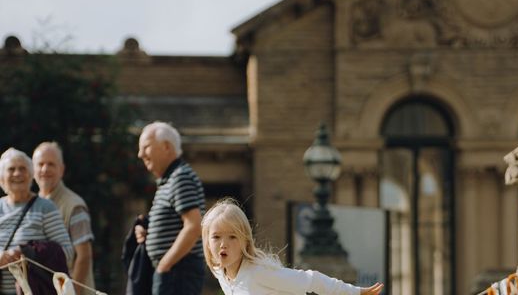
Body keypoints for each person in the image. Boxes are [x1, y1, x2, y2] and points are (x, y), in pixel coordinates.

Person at [202, 198, 385, 295]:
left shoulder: (259, 272)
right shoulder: (220, 271)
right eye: (216, 237)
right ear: (207, 242)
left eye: (233, 237)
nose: (223, 244)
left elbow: (311, 280)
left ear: (245, 241)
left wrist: (355, 292)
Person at [135, 122, 205, 295]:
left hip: (177, 272)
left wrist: (164, 265)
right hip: (174, 271)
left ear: (166, 146)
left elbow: (193, 226)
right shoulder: (171, 179)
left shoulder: (181, 177)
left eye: (146, 147)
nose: (140, 154)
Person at [0, 148, 73, 295]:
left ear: (31, 175)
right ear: (1, 178)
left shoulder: (45, 208)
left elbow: (67, 253)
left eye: (22, 169)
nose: (17, 173)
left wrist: (27, 252)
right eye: (11, 169)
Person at [32, 142, 95, 295]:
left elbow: (84, 256)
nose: (45, 169)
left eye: (51, 164)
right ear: (33, 170)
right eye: (40, 164)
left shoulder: (74, 205)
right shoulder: (31, 205)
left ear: (62, 170)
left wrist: (73, 292)